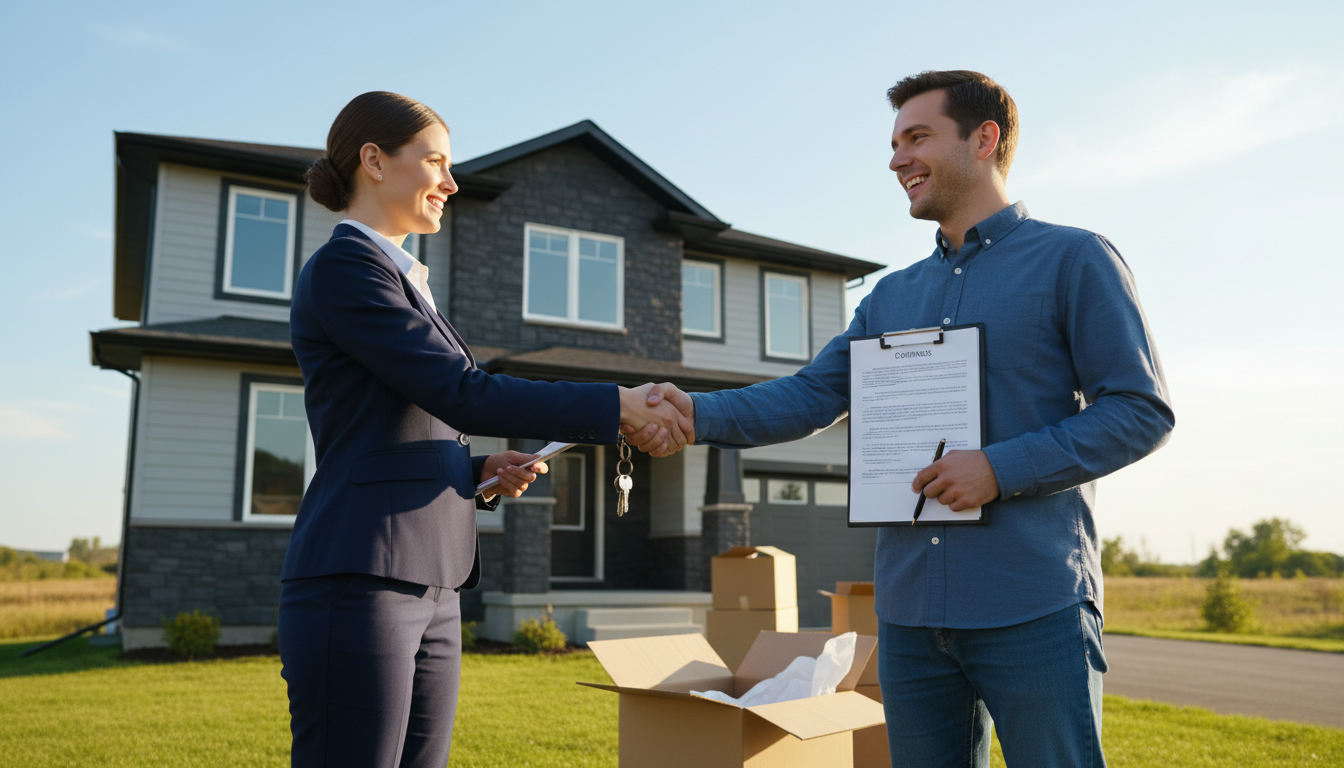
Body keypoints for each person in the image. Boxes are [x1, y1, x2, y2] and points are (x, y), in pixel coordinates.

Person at [631, 71, 1174, 767]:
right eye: (893, 143)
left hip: (1032, 605)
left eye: (917, 137)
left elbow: (1140, 409)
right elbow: (810, 396)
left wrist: (998, 469)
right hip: (912, 613)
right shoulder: (890, 297)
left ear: (985, 139)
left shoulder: (1074, 259)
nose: (896, 159)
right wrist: (694, 412)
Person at [278, 91, 690, 768]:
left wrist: (476, 473)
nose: (451, 182)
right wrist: (616, 404)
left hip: (434, 580)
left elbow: (404, 422)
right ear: (374, 161)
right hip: (362, 576)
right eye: (435, 161)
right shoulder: (347, 268)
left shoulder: (405, 280)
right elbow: (461, 395)